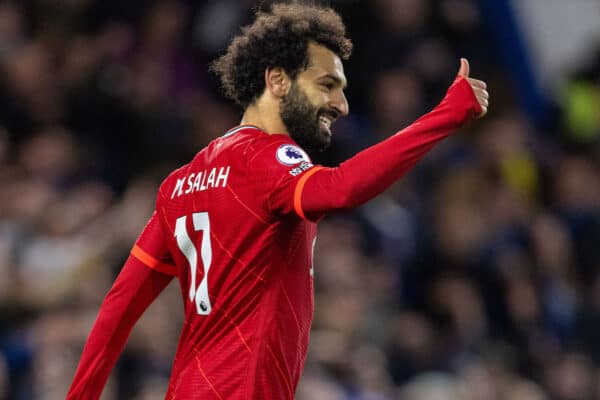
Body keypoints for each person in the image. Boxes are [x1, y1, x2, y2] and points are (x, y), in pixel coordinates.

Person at [66, 3, 488, 399]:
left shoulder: (180, 183)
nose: (340, 104)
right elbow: (341, 189)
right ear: (277, 80)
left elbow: (117, 310)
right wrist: (445, 115)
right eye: (327, 85)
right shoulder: (268, 159)